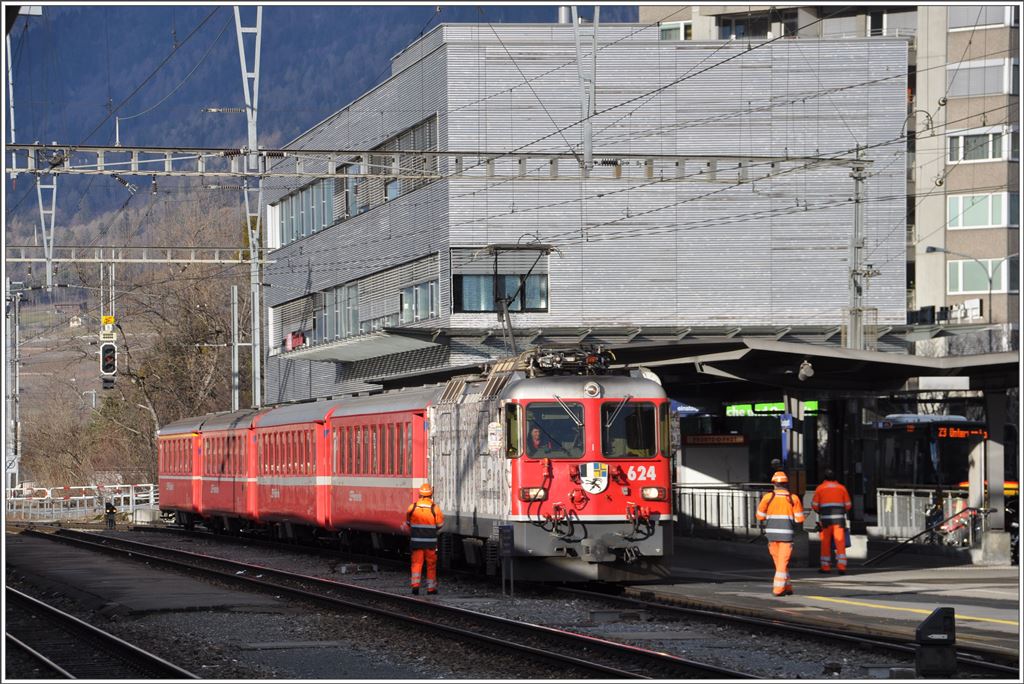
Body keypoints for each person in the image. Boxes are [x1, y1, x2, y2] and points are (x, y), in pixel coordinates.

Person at [755, 471, 806, 596]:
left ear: (774, 484)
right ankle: (778, 589)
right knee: (782, 562)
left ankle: (787, 587)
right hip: (786, 536)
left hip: (771, 536)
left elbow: (759, 516)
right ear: (786, 484)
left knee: (779, 562)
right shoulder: (793, 498)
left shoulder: (768, 497)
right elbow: (799, 519)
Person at [404, 482, 445, 595]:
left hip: (416, 542)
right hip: (430, 543)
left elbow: (408, 522)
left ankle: (415, 586)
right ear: (430, 495)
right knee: (431, 565)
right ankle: (431, 588)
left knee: (416, 564)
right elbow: (440, 524)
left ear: (420, 495)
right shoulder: (434, 508)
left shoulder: (412, 507)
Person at [811, 469, 852, 574]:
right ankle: (842, 567)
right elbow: (848, 505)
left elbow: (815, 505)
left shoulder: (820, 488)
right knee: (840, 542)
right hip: (839, 520)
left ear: (824, 478)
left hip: (825, 520)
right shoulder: (842, 488)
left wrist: (820, 512)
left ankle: (825, 567)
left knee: (825, 543)